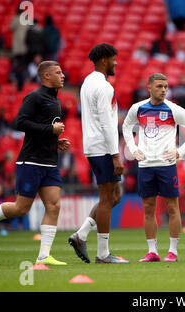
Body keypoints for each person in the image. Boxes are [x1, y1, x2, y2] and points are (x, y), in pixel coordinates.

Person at [0, 61, 70, 266]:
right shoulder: (35, 97)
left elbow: (45, 129)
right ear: (46, 76)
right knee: (21, 208)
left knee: (54, 205)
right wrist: (50, 130)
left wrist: (56, 140)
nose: (63, 75)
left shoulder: (56, 101)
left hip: (49, 161)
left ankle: (44, 255)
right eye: (58, 72)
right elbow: (20, 123)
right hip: (30, 161)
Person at [122, 73, 185, 262]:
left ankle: (173, 252)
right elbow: (126, 127)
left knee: (172, 207)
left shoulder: (173, 109)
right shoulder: (138, 108)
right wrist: (133, 149)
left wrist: (180, 152)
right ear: (149, 87)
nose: (163, 90)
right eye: (159, 86)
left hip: (166, 165)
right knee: (149, 208)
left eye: (166, 86)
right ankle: (153, 252)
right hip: (145, 165)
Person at [68, 43, 127, 264]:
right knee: (106, 198)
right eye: (113, 58)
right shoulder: (104, 87)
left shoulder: (87, 82)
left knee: (114, 197)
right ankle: (103, 254)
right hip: (103, 148)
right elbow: (106, 123)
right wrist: (115, 154)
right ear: (104, 60)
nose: (116, 62)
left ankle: (81, 235)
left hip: (94, 146)